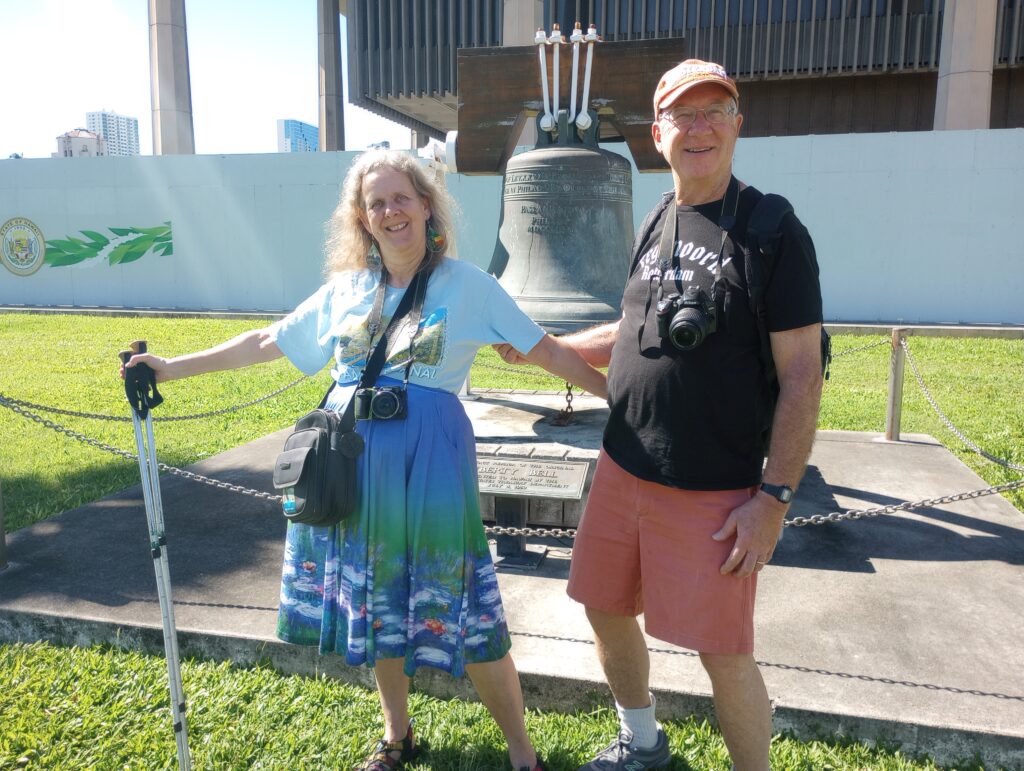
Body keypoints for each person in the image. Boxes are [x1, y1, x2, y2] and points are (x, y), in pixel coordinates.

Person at [123, 148, 607, 771]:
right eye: (375, 202)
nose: (390, 211)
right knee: (378, 598)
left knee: (458, 597)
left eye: (401, 197)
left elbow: (548, 352)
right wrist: (174, 366)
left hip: (427, 464)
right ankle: (396, 737)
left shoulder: (469, 286)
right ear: (362, 219)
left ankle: (522, 753)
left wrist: (615, 396)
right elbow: (268, 340)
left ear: (427, 206)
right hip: (351, 463)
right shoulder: (347, 290)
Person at [497, 59, 825, 771]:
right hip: (623, 467)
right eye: (684, 114)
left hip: (712, 487)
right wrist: (541, 348)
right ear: (658, 132)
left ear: (738, 124)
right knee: (603, 606)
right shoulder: (655, 219)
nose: (699, 127)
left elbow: (803, 374)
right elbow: (628, 331)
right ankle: (641, 740)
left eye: (716, 111)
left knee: (723, 650)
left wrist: (773, 498)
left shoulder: (772, 231)